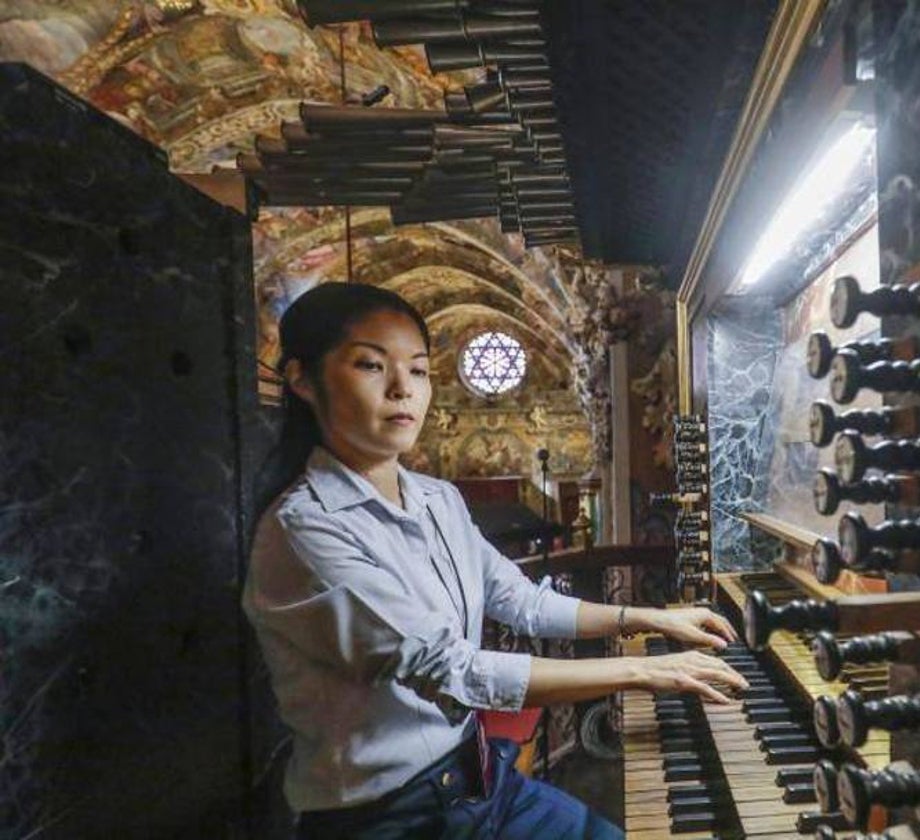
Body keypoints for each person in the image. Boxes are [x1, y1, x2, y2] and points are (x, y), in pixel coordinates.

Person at [242, 282, 748, 839]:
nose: (401, 391)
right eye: (370, 365)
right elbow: (452, 669)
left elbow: (522, 601)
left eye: (418, 370)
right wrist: (649, 671)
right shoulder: (304, 527)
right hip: (391, 818)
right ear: (300, 379)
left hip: (481, 779)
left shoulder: (438, 498)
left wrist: (649, 619)